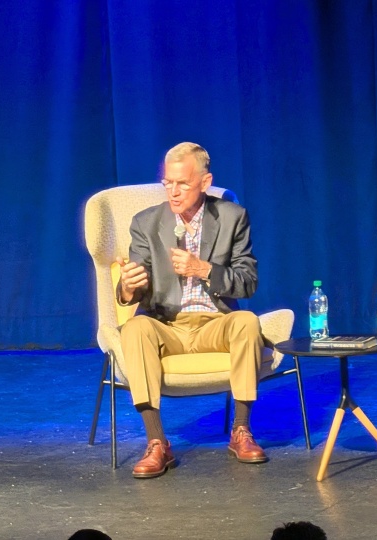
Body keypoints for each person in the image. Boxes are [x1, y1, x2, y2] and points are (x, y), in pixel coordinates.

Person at [116, 142, 266, 479]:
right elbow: (136, 286)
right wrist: (128, 287)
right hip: (167, 325)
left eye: (182, 183)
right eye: (167, 182)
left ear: (204, 181)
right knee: (135, 328)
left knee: (246, 322)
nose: (173, 190)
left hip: (215, 322)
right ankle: (157, 443)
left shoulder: (232, 217)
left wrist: (203, 269)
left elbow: (248, 282)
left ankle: (241, 430)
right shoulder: (146, 223)